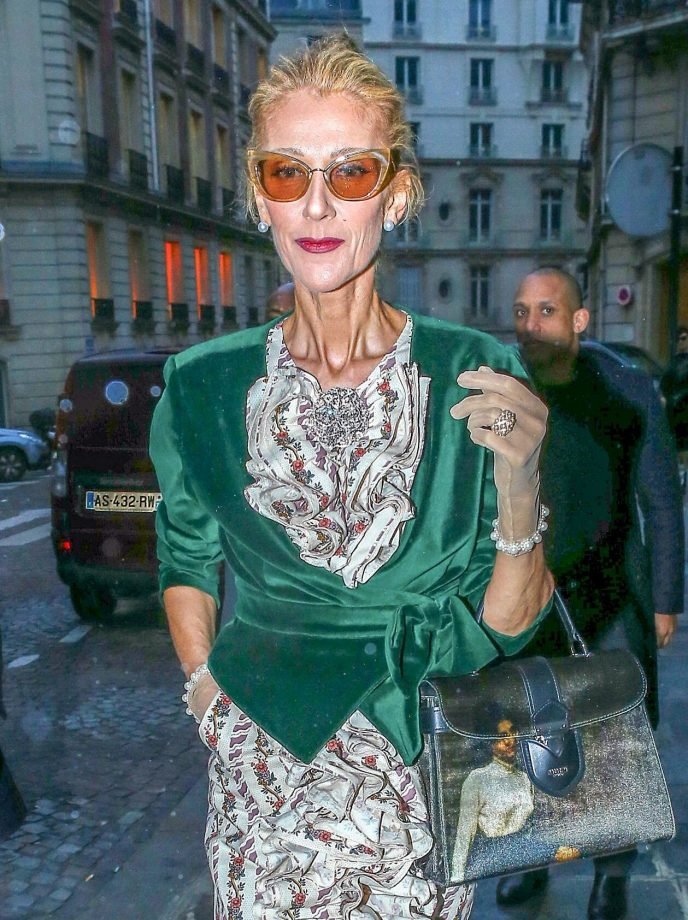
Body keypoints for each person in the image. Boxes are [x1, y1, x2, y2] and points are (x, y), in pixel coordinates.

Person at [150, 35, 553, 919]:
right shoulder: (202, 385)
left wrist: (521, 481)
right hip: (261, 786)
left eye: (352, 172)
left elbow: (512, 619)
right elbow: (185, 560)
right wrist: (206, 695)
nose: (318, 204)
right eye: (288, 173)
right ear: (260, 195)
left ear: (396, 194)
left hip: (416, 777)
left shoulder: (472, 371)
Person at [496, 267, 684, 920]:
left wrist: (665, 600)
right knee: (527, 738)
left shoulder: (625, 389)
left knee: (617, 745)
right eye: (522, 311)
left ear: (579, 320)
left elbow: (662, 500)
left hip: (612, 597)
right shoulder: (503, 389)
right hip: (529, 603)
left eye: (547, 310)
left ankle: (612, 876)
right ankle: (533, 860)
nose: (531, 325)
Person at [451, 720, 534, 883]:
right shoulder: (477, 778)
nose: (510, 741)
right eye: (503, 736)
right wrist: (457, 876)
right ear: (490, 743)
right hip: (492, 860)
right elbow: (465, 831)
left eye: (513, 733)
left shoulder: (524, 778)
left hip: (525, 857)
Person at [661, 324, 688, 453]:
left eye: (684, 338)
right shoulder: (674, 361)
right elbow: (665, 382)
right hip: (673, 412)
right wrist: (663, 397)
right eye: (678, 339)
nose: (680, 342)